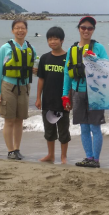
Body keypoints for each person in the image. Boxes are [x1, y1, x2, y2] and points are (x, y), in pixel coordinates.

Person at [63, 16, 108, 168]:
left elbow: (107, 67)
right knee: (84, 127)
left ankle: (96, 159)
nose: (86, 31)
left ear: (93, 30)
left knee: (95, 126)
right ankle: (88, 157)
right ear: (79, 29)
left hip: (95, 92)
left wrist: (93, 58)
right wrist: (65, 95)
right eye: (83, 27)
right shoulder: (72, 49)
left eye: (90, 28)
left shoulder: (99, 48)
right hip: (78, 91)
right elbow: (66, 73)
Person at [0, 19, 37, 160]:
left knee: (20, 120)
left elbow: (34, 66)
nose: (20, 30)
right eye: (17, 28)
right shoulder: (5, 48)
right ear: (13, 30)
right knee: (9, 120)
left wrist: (37, 70)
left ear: (26, 30)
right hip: (8, 86)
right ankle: (10, 150)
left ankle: (17, 149)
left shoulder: (30, 49)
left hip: (24, 87)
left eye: (23, 28)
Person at [35, 26, 70, 164]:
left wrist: (69, 99)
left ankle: (63, 157)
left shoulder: (68, 58)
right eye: (50, 39)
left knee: (63, 131)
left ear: (62, 40)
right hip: (48, 100)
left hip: (62, 101)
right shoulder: (44, 58)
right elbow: (41, 79)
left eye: (55, 39)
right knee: (49, 130)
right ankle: (50, 155)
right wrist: (38, 98)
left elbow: (71, 80)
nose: (52, 41)